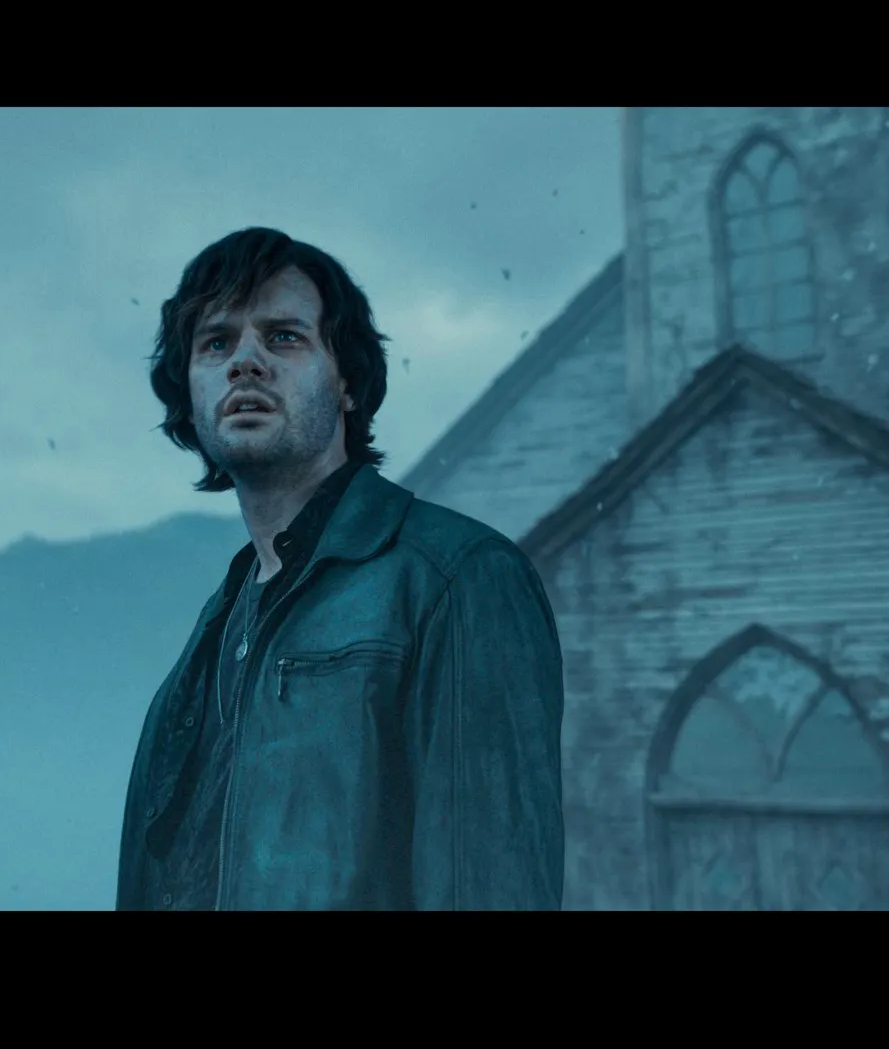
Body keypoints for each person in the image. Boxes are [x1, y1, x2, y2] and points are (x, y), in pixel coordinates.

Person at [116, 227, 565, 910]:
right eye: (216, 343)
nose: (245, 362)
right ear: (190, 392)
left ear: (347, 382)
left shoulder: (457, 578)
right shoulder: (220, 625)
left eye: (283, 337)